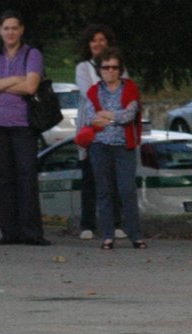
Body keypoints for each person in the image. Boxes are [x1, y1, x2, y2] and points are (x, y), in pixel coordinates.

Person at [0, 10, 48, 246]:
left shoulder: (32, 54)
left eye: (14, 28)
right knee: (2, 178)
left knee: (27, 176)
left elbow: (30, 87)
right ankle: (9, 233)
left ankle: (32, 233)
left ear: (21, 30)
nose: (10, 32)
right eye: (6, 28)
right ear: (0, 30)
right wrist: (14, 80)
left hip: (23, 124)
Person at [83, 47, 145, 250]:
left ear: (120, 70)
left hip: (123, 146)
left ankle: (135, 234)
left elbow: (129, 116)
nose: (110, 71)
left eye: (114, 67)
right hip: (99, 146)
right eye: (106, 67)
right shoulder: (93, 91)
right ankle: (107, 235)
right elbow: (91, 117)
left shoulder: (130, 89)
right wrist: (115, 116)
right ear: (99, 70)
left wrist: (107, 115)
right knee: (104, 191)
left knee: (127, 190)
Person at [72, 23, 115, 240]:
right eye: (94, 40)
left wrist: (112, 114)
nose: (98, 44)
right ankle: (87, 224)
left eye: (102, 40)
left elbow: (125, 92)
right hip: (91, 126)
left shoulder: (119, 66)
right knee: (90, 177)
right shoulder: (83, 68)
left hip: (114, 126)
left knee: (114, 177)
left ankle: (116, 222)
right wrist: (106, 112)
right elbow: (89, 92)